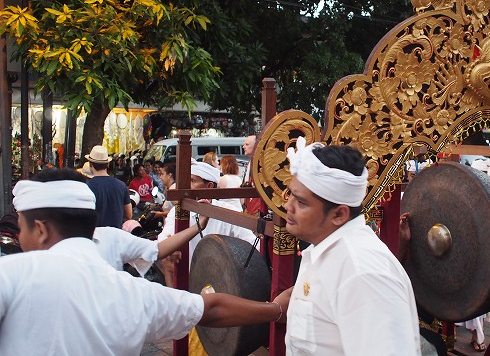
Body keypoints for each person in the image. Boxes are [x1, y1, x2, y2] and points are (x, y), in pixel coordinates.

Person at [1, 168, 291, 355]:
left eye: (22, 229)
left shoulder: (10, 275)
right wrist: (276, 309)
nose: (20, 238)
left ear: (40, 230)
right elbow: (212, 309)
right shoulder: (135, 293)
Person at [283, 137, 421, 354]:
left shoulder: (362, 272)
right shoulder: (328, 253)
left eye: (301, 202)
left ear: (339, 214)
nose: (287, 205)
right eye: (291, 194)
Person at [158, 159, 256, 264]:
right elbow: (162, 242)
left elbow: (252, 245)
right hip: (189, 277)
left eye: (192, 181)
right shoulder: (177, 211)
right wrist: (169, 252)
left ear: (209, 186)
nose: (187, 187)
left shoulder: (229, 212)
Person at [86, 145, 132, 228]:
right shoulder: (121, 185)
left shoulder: (86, 186)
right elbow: (129, 215)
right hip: (116, 235)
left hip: (94, 234)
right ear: (107, 164)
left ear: (90, 164)